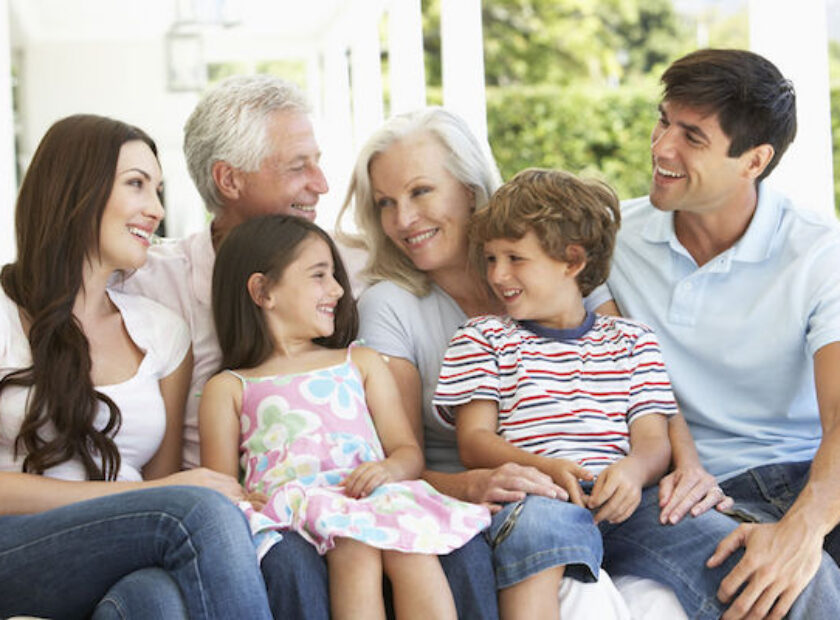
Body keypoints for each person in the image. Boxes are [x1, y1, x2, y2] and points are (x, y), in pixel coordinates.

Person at [123, 76, 495, 619]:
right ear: (229, 178)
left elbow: (466, 254)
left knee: (450, 548)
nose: (321, 184)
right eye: (298, 166)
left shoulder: (362, 263)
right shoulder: (151, 281)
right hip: (270, 513)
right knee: (297, 560)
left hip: (369, 493)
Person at [337, 106, 670, 619]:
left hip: (601, 483)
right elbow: (401, 462)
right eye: (386, 203)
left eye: (420, 192)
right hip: (483, 497)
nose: (403, 220)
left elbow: (634, 376)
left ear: (469, 188)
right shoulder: (391, 306)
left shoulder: (554, 260)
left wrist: (684, 467)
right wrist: (472, 485)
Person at [0, 114, 271, 619]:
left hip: (122, 546)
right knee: (203, 512)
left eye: (158, 189)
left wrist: (151, 498)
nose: (156, 209)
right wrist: (150, 497)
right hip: (15, 548)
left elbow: (156, 489)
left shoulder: (163, 333)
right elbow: (161, 498)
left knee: (156, 600)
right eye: (136, 185)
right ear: (75, 190)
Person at [605, 48, 840, 619]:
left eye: (692, 137)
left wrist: (802, 530)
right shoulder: (609, 243)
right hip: (687, 490)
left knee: (801, 565)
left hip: (808, 478)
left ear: (753, 160)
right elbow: (614, 376)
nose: (661, 148)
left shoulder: (817, 253)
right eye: (663, 121)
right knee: (800, 590)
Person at [200, 214, 490, 619]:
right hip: (294, 508)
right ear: (263, 290)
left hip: (366, 495)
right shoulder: (229, 387)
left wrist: (389, 470)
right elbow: (217, 489)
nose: (337, 289)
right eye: (319, 275)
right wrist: (247, 498)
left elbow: (406, 451)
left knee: (410, 548)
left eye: (335, 274)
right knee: (354, 549)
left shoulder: (360, 362)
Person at [434, 168, 678, 619]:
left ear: (572, 261)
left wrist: (632, 471)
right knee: (543, 523)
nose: (498, 275)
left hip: (623, 501)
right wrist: (546, 469)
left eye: (515, 258)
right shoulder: (483, 337)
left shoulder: (633, 340)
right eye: (490, 259)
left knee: (711, 539)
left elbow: (653, 441)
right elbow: (474, 442)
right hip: (537, 496)